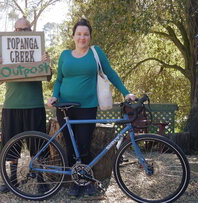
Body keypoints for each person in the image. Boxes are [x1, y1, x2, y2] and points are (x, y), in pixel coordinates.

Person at [47, 18, 136, 197]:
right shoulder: (64, 55)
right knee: (71, 148)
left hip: (87, 106)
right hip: (64, 107)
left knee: (84, 145)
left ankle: (86, 181)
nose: (82, 37)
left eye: (86, 34)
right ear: (73, 36)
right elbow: (59, 80)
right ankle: (75, 182)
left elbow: (110, 72)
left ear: (90, 37)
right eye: (79, 34)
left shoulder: (95, 53)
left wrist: (126, 93)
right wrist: (54, 95)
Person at [0, 17, 50, 193]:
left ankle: (41, 180)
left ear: (30, 30)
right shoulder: (5, 50)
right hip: (11, 105)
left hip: (34, 105)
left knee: (38, 145)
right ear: (14, 30)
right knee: (11, 145)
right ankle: (12, 179)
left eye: (24, 29)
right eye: (17, 29)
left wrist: (46, 64)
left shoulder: (39, 48)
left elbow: (48, 77)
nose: (21, 32)